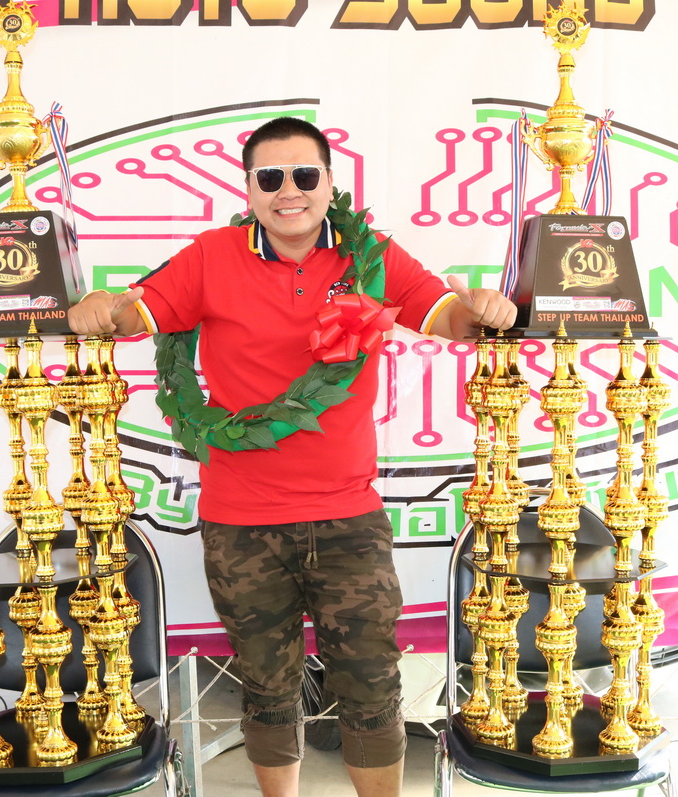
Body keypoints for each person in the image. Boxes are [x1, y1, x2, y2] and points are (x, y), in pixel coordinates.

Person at [69, 116, 516, 796]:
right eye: (270, 177)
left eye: (304, 175)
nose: (289, 191)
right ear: (249, 187)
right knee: (266, 686)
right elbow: (138, 313)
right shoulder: (211, 255)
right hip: (241, 520)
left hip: (348, 518)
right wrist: (102, 306)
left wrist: (482, 311)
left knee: (371, 685)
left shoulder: (371, 256)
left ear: (329, 182)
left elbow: (448, 317)